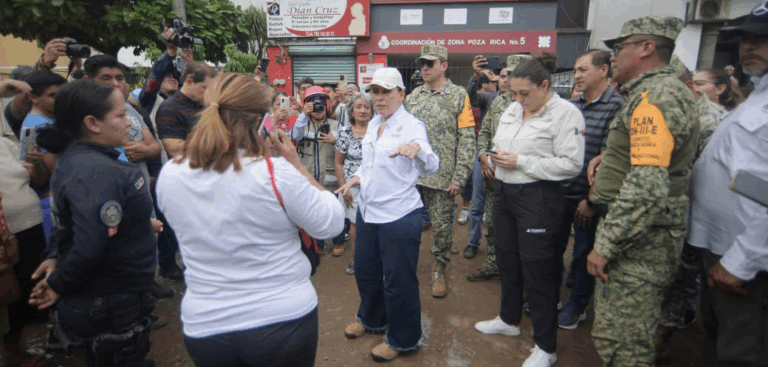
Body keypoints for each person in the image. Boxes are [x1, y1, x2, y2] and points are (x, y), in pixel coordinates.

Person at [157, 73, 344, 367]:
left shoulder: (171, 174)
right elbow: (331, 222)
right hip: (282, 321)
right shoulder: (274, 173)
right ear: (261, 121)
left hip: (206, 324)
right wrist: (295, 163)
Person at [587, 16, 700, 366]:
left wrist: (605, 245)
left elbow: (646, 184)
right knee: (624, 333)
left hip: (640, 243)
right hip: (642, 236)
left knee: (622, 340)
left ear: (647, 48)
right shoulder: (653, 93)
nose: (614, 58)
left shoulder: (657, 96)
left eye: (619, 49)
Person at [28, 80, 157, 367]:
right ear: (92, 123)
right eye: (121, 115)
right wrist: (58, 283)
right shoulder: (97, 171)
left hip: (107, 294)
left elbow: (73, 223)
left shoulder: (79, 159)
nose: (129, 124)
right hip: (111, 299)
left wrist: (53, 256)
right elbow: (91, 243)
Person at [474, 54, 585, 367]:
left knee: (539, 270)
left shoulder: (566, 114)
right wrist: (492, 156)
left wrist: (522, 162)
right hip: (506, 193)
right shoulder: (513, 108)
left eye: (525, 93)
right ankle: (508, 321)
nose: (519, 99)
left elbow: (572, 164)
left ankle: (545, 346)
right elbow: (500, 140)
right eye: (514, 93)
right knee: (507, 261)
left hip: (539, 198)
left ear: (545, 86)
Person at [337, 67, 439, 363]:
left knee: (398, 280)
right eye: (375, 92)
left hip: (399, 214)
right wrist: (356, 178)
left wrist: (417, 149)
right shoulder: (373, 124)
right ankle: (371, 319)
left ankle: (403, 339)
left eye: (386, 92)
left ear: (401, 94)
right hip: (368, 211)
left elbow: (432, 164)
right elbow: (368, 164)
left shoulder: (412, 126)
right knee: (366, 271)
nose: (379, 98)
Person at [686, 3, 768, 365]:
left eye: (762, 39)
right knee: (719, 342)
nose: (750, 47)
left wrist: (741, 261)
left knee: (741, 353)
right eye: (746, 39)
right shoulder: (758, 99)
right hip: (719, 247)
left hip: (747, 262)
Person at [556, 49, 625, 330]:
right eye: (575, 70)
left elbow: (610, 161)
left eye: (583, 70)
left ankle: (578, 306)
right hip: (563, 192)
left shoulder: (617, 107)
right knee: (554, 248)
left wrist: (592, 200)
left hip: (589, 199)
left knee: (584, 252)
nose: (577, 75)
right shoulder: (575, 107)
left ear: (604, 70)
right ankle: (553, 298)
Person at [406, 45, 475, 299]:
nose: (424, 68)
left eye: (430, 63)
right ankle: (405, 266)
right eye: (422, 63)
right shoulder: (413, 97)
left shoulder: (459, 96)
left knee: (442, 228)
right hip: (412, 177)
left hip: (443, 179)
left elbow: (467, 138)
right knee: (407, 226)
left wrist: (459, 177)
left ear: (443, 66)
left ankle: (439, 268)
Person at [466, 54, 532, 280]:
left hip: (525, 180)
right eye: (507, 75)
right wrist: (484, 155)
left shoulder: (537, 104)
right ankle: (495, 264)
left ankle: (520, 273)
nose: (510, 80)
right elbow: (485, 132)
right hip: (494, 175)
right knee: (495, 224)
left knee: (523, 229)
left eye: (515, 74)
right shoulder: (498, 102)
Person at [332, 93, 373, 269]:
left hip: (375, 186)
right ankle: (357, 261)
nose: (362, 111)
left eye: (366, 107)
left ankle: (375, 261)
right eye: (358, 107)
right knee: (356, 226)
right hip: (352, 187)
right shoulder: (345, 133)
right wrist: (344, 189)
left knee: (376, 225)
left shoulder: (378, 131)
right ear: (351, 110)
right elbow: (338, 162)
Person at [156, 62, 216, 159]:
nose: (208, 93)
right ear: (189, 82)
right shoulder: (169, 108)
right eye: (205, 88)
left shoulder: (206, 105)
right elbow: (175, 150)